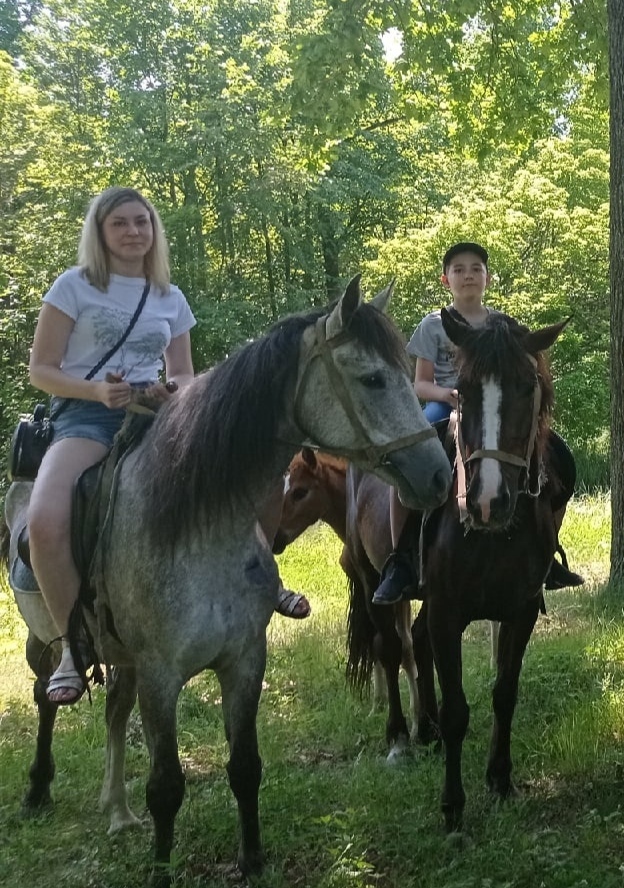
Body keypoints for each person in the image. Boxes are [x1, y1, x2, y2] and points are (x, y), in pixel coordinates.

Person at [27, 186, 308, 707]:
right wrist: (96, 391)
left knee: (267, 481)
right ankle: (72, 644)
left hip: (159, 417)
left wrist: (171, 390)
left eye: (142, 222)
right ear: (100, 232)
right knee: (44, 519)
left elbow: (183, 372)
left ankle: (262, 580)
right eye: (120, 223)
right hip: (87, 417)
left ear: (154, 230)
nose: (133, 232)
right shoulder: (73, 286)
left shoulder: (169, 296)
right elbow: (41, 370)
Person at [372, 241, 584, 605]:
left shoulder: (504, 325)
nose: (468, 275)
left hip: (494, 411)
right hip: (443, 407)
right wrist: (450, 397)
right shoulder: (433, 326)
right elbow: (420, 384)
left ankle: (545, 551)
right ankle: (401, 559)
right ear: (445, 280)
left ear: (488, 277)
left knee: (556, 456)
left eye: (476, 269)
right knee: (409, 466)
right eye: (459, 270)